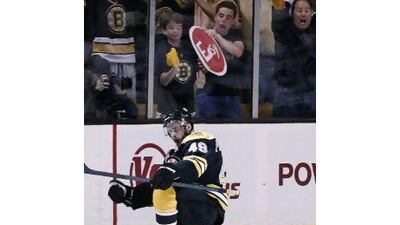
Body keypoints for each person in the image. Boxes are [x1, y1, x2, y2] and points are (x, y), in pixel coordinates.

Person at [107, 108, 228, 225]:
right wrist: (130, 194)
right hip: (189, 202)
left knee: (167, 185)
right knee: (162, 188)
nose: (173, 133)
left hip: (208, 199)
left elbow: (192, 167)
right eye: (169, 129)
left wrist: (172, 171)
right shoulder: (173, 154)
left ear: (188, 126)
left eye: (176, 127)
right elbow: (163, 188)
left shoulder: (201, 139)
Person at [195, 1, 245, 119]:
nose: (223, 20)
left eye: (228, 17)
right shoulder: (204, 35)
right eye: (221, 16)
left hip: (231, 95)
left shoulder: (235, 35)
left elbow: (238, 51)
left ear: (233, 21)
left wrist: (217, 37)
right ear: (215, 17)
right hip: (208, 93)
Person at [155, 12, 206, 118]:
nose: (176, 31)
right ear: (164, 31)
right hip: (167, 107)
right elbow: (164, 81)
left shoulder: (190, 48)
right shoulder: (161, 50)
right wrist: (174, 68)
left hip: (188, 105)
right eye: (171, 28)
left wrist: (202, 76)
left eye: (179, 28)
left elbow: (198, 72)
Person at [271, 0, 316, 118]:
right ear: (291, 13)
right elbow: (276, 17)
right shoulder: (282, 28)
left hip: (311, 92)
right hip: (286, 93)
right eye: (299, 10)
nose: (303, 14)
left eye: (307, 11)